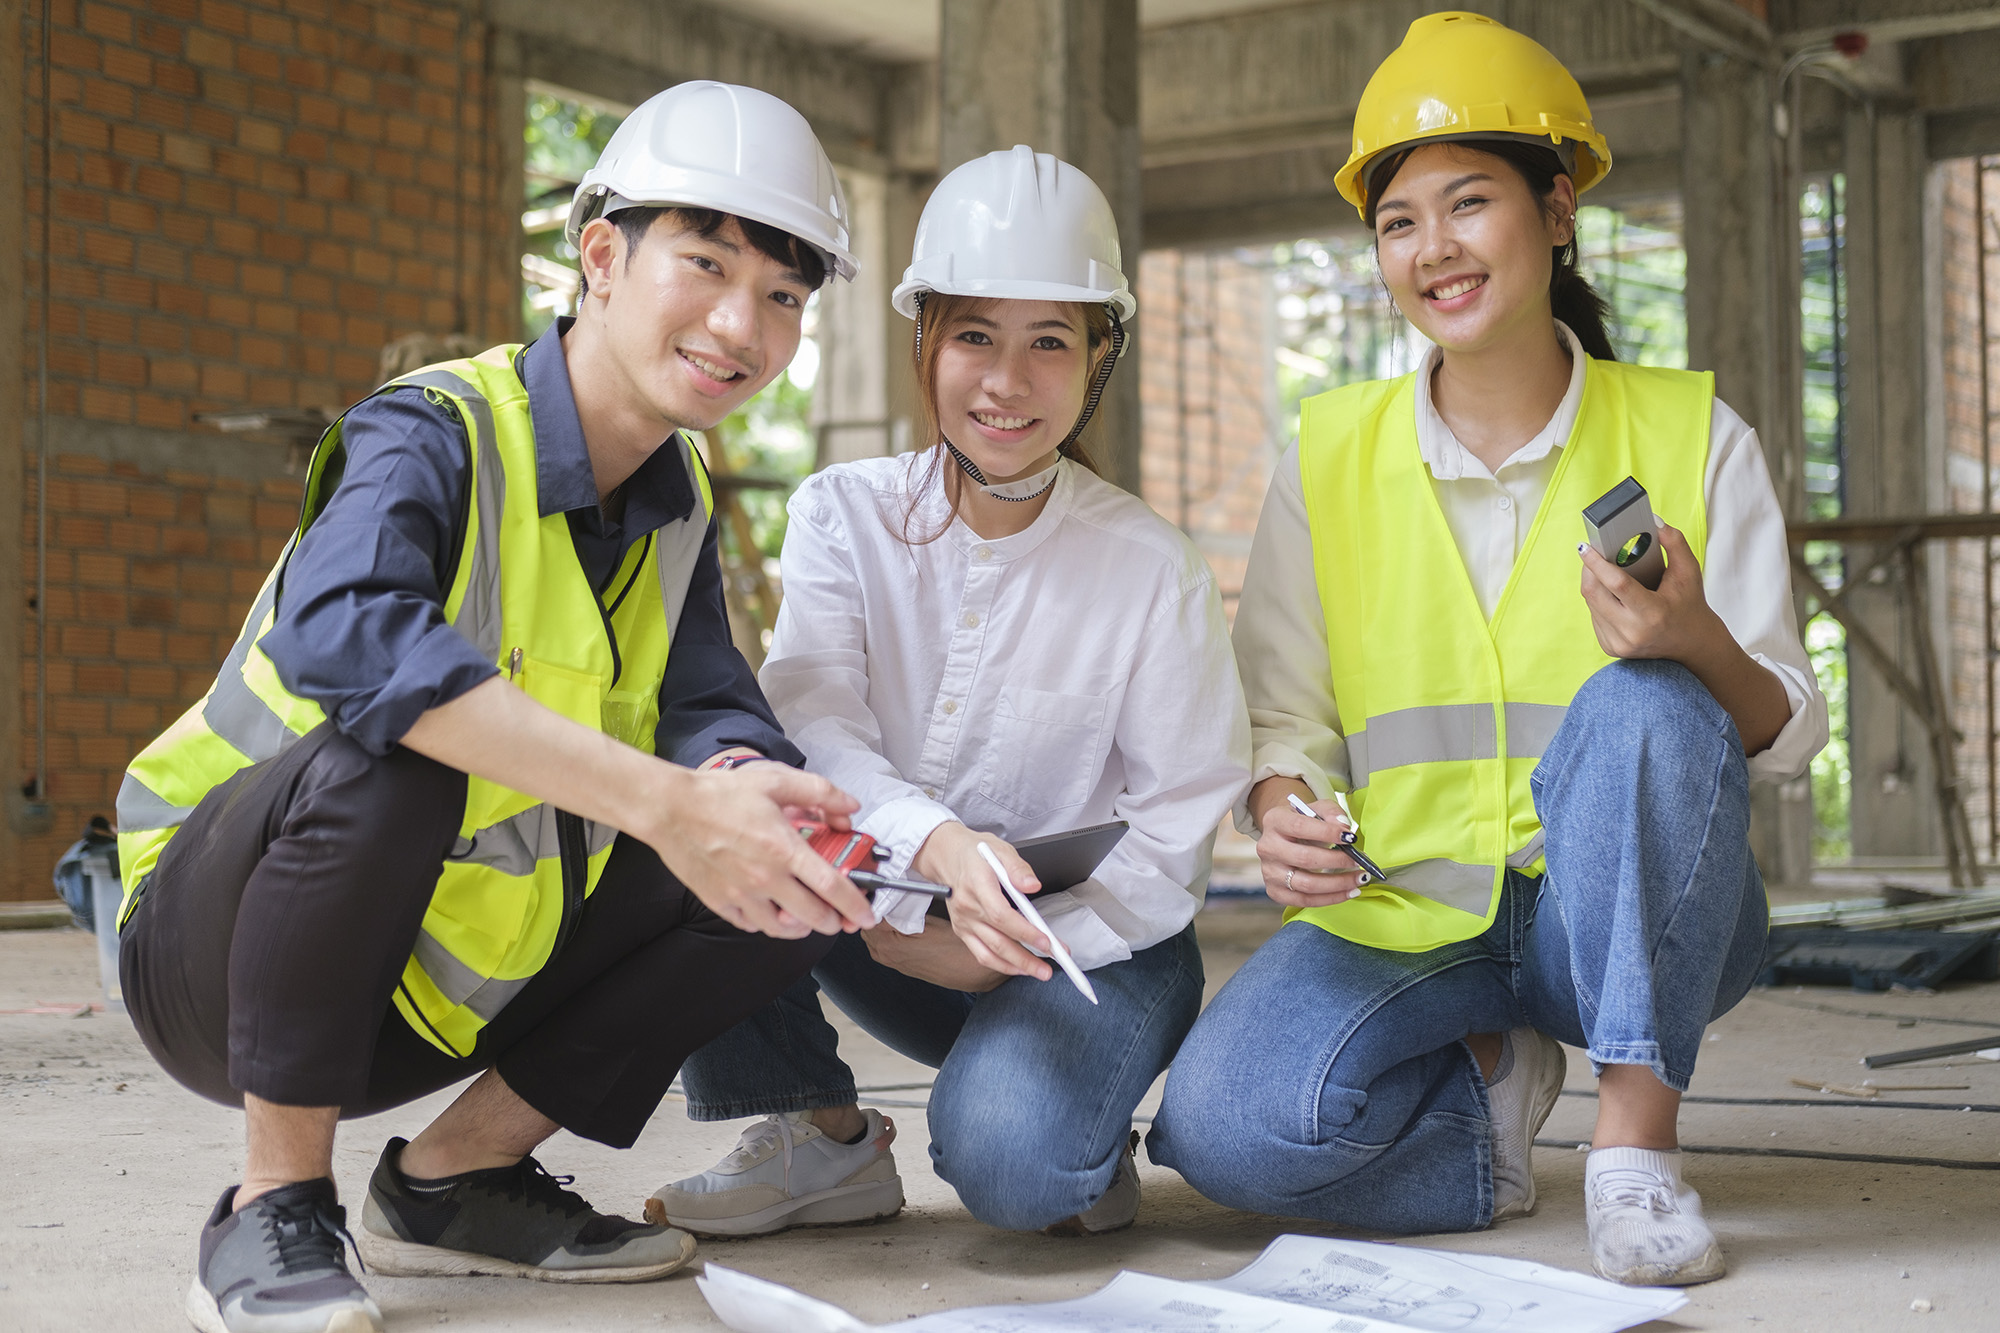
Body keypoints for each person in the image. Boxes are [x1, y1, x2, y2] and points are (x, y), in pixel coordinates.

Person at [113, 81, 880, 1333]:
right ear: (599, 258)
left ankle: (452, 1180)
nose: (741, 322)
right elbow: (347, 639)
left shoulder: (673, 496)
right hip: (218, 955)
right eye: (704, 263)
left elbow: (708, 707)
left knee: (772, 864)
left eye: (785, 295)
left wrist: (752, 797)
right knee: (396, 744)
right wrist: (663, 803)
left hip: (436, 990)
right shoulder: (436, 429)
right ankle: (269, 1206)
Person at [1147, 13, 1827, 1287]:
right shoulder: (1329, 455)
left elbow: (1785, 731)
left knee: (1644, 701)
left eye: (1468, 203)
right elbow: (1282, 709)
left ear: (1555, 210)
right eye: (1398, 221)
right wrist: (1281, 799)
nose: (1432, 249)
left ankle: (1634, 1146)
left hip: (1632, 926)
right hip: (1413, 907)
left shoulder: (1690, 434)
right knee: (1219, 1133)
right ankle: (1488, 1115)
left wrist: (1693, 644)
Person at [645, 145, 1251, 1238]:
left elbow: (1171, 835)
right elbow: (813, 725)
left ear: (1097, 354)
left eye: (1049, 343)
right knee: (704, 805)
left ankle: (1069, 1119)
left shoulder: (1151, 569)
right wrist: (933, 858)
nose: (1006, 383)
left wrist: (1005, 948)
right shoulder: (843, 514)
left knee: (1016, 1173)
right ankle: (816, 1135)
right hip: (887, 917)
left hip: (1093, 950)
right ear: (923, 335)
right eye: (974, 335)